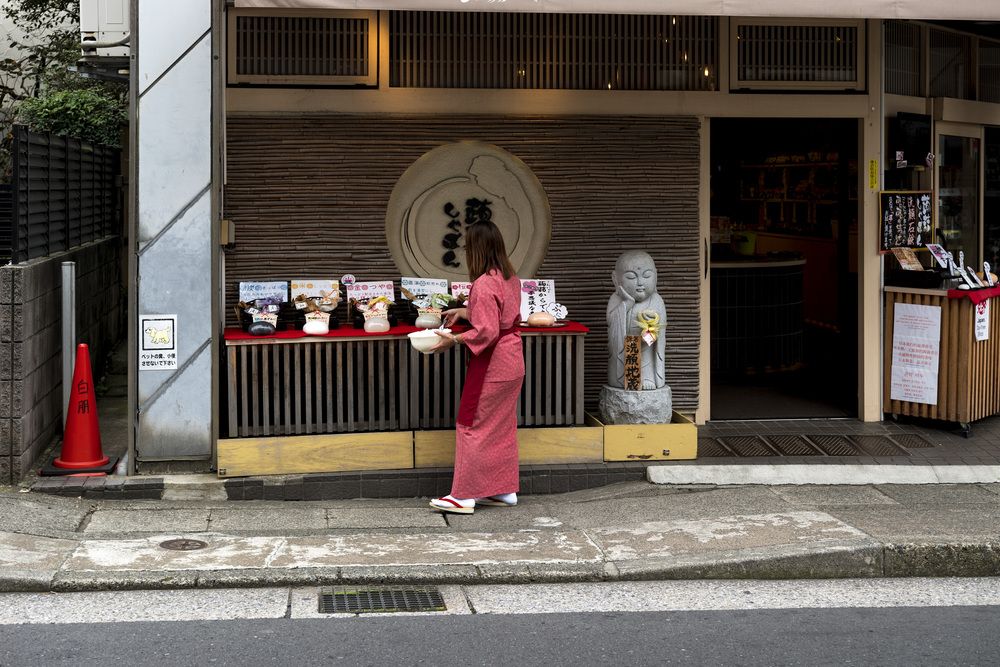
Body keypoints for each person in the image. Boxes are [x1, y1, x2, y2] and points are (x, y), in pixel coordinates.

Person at [426, 220, 525, 514]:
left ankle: (464, 495)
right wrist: (464, 311)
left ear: (477, 249)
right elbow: (500, 317)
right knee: (501, 426)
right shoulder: (510, 278)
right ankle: (503, 489)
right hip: (512, 359)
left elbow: (487, 331)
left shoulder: (483, 283)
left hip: (492, 363)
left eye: (468, 247)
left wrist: (452, 340)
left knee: (472, 424)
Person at [606, 250, 666, 390]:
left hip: (647, 348)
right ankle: (624, 378)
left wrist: (652, 325)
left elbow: (661, 330)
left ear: (655, 276)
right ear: (616, 279)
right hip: (624, 347)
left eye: (646, 276)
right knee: (625, 358)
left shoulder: (656, 300)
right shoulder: (616, 299)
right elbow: (611, 322)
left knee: (647, 351)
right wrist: (626, 303)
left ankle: (647, 377)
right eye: (631, 277)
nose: (640, 282)